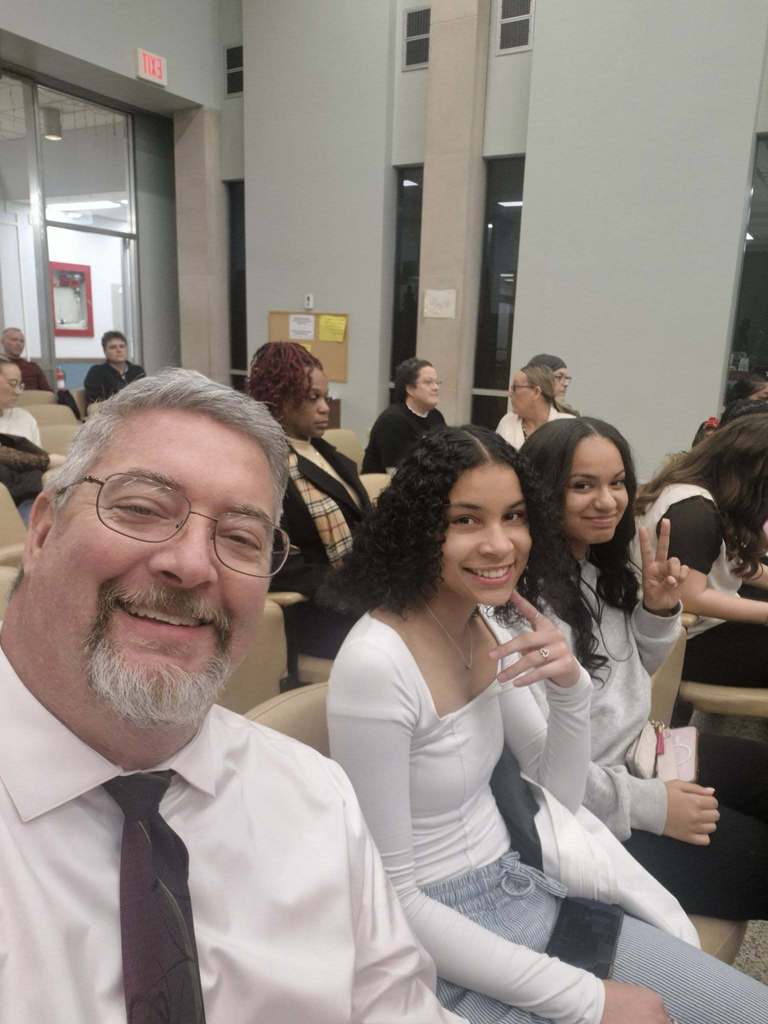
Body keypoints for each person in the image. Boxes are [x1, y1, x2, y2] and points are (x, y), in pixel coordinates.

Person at [0, 368, 466, 1024]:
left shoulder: (314, 799)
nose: (192, 565)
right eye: (140, 509)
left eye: (240, 538)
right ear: (43, 531)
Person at [325, 425, 767, 1024]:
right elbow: (392, 900)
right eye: (466, 520)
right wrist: (589, 1000)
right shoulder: (376, 663)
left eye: (514, 517)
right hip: (444, 938)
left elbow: (557, 802)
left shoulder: (482, 622)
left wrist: (571, 694)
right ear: (418, 528)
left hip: (526, 882)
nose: (500, 543)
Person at [522, 416, 768, 922]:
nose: (608, 500)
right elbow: (538, 771)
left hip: (643, 753)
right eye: (582, 485)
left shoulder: (597, 567)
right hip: (594, 809)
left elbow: (629, 676)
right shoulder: (524, 605)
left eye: (616, 483)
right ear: (542, 491)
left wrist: (656, 613)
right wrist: (650, 805)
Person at [247, 341, 369, 674]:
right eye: (312, 398)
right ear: (279, 400)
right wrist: (356, 580)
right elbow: (273, 562)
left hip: (358, 595)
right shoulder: (262, 465)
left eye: (325, 397)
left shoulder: (326, 454)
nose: (325, 408)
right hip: (316, 612)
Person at [636, 412, 768, 689]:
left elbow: (731, 565)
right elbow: (691, 597)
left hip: (695, 631)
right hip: (686, 644)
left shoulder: (699, 497)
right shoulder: (693, 512)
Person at [362, 357, 446, 473]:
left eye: (437, 382)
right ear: (410, 389)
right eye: (428, 382)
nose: (436, 387)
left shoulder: (436, 416)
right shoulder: (393, 420)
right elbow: (396, 473)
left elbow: (446, 456)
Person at [496, 364, 574, 449]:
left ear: (536, 392)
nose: (510, 394)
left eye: (515, 387)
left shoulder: (568, 426)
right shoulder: (507, 421)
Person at [84, 329, 146, 409]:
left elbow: (145, 395)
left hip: (136, 410)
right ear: (105, 351)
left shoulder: (137, 371)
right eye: (113, 347)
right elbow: (94, 400)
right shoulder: (96, 372)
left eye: (122, 346)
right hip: (109, 413)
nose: (119, 350)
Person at [0, 357, 41, 446]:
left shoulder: (25, 418)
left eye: (20, 385)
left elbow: (40, 458)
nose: (18, 392)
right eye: (13, 383)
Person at [0, 326, 51, 392]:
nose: (19, 344)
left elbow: (48, 393)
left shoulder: (33, 367)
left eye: (22, 341)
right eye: (14, 340)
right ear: (2, 342)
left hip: (35, 401)